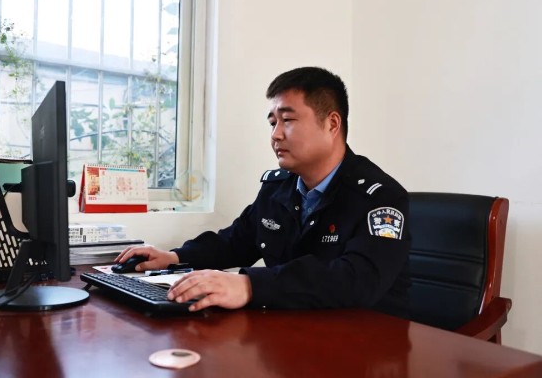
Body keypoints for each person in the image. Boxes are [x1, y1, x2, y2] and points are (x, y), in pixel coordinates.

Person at [115, 66, 411, 317]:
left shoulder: (379, 197)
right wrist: (174, 257)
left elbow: (357, 280)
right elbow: (236, 241)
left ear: (332, 123)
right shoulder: (279, 188)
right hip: (293, 331)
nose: (275, 135)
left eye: (288, 120)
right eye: (272, 122)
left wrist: (249, 285)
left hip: (365, 340)